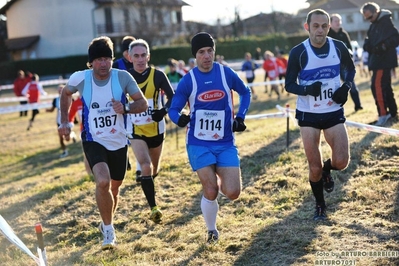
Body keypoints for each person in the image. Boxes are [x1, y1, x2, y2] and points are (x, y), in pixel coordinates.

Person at [58, 36, 148, 250]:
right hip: (93, 138)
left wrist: (125, 108)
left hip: (118, 141)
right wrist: (64, 120)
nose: (104, 64)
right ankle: (109, 231)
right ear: (91, 62)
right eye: (98, 59)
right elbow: (65, 93)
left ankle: (105, 221)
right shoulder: (81, 78)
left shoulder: (122, 77)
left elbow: (142, 103)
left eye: (107, 58)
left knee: (114, 189)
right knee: (102, 182)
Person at [168, 32, 251, 243]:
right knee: (211, 188)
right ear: (195, 56)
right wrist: (180, 119)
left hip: (225, 142)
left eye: (210, 51)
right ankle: (212, 230)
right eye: (202, 52)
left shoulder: (225, 74)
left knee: (232, 192)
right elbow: (173, 109)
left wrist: (240, 116)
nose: (207, 56)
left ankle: (213, 196)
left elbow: (246, 92)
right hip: (199, 143)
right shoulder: (189, 80)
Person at [285, 9, 353, 221]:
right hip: (308, 115)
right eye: (316, 26)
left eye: (324, 26)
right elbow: (288, 84)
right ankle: (320, 206)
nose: (320, 30)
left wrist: (346, 87)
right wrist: (306, 90)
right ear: (307, 27)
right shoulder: (299, 52)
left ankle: (327, 169)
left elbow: (350, 69)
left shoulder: (338, 46)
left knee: (342, 161)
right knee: (313, 167)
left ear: (329, 27)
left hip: (333, 111)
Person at [127, 38, 175, 223]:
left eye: (143, 55)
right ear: (130, 57)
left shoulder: (158, 75)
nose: (140, 59)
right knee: (145, 166)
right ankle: (154, 208)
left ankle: (150, 184)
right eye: (136, 56)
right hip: (135, 130)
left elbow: (173, 98)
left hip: (156, 129)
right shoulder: (124, 77)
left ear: (148, 56)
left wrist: (162, 112)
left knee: (153, 170)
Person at [361, 2, 399, 126]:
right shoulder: (374, 24)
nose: (368, 20)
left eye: (370, 17)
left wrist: (382, 47)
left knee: (377, 86)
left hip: (383, 61)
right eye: (366, 18)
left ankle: (383, 114)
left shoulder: (385, 22)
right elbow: (369, 41)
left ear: (376, 11)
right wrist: (367, 45)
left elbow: (395, 38)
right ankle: (392, 113)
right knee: (385, 86)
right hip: (377, 61)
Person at [112, 35, 137, 177]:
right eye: (131, 52)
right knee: (123, 132)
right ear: (125, 53)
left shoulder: (138, 63)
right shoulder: (117, 66)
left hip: (137, 106)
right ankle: (125, 158)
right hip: (121, 106)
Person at [327, 13, 363, 112]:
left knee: (351, 85)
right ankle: (332, 109)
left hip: (344, 65)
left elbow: (350, 49)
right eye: (336, 21)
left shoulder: (344, 33)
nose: (338, 23)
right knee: (332, 87)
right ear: (330, 23)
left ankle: (358, 105)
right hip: (331, 66)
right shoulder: (327, 35)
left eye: (339, 21)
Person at [46, 84, 75, 158]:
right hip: (59, 121)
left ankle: (72, 135)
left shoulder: (70, 97)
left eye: (62, 89)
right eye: (59, 89)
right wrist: (48, 110)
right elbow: (52, 109)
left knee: (67, 139)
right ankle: (65, 151)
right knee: (61, 137)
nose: (60, 91)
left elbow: (74, 109)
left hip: (68, 121)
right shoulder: (56, 100)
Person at [68, 94, 92, 176]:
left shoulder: (93, 97)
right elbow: (70, 116)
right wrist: (70, 126)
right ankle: (89, 174)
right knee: (87, 152)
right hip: (84, 130)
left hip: (99, 129)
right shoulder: (76, 103)